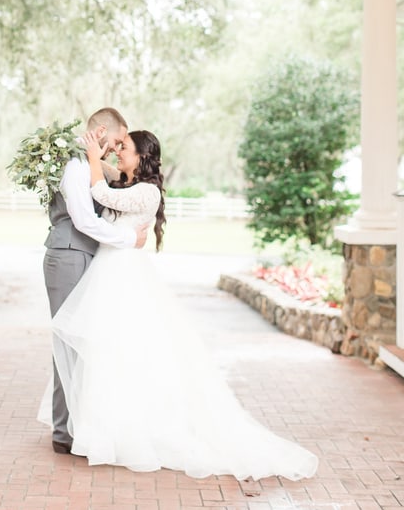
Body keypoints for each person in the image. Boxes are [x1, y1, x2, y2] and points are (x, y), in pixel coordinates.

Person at [47, 128, 319, 481]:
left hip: (124, 275)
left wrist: (92, 158)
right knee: (109, 351)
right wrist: (95, 154)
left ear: (143, 157)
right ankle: (104, 426)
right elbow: (101, 186)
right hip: (107, 272)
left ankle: (137, 429)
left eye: (124, 149)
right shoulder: (126, 184)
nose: (118, 154)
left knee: (130, 350)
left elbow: (98, 190)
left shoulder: (146, 193)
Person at [42, 107, 149, 455]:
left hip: (83, 254)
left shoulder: (86, 162)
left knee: (81, 342)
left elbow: (111, 181)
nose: (117, 148)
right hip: (70, 253)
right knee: (70, 342)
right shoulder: (75, 165)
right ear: (101, 131)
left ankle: (76, 426)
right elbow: (85, 221)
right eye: (117, 141)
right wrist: (128, 239)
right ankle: (64, 433)